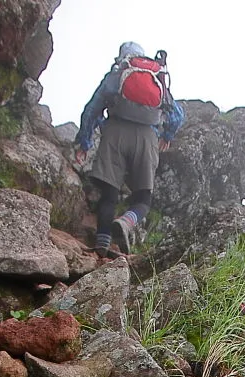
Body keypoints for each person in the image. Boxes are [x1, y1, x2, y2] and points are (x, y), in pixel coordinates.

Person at [74, 42, 185, 258]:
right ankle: (126, 222)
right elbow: (177, 115)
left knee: (109, 194)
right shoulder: (157, 76)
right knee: (143, 197)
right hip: (147, 137)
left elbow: (91, 111)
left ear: (122, 57)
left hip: (114, 132)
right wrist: (167, 136)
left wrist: (85, 143)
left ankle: (102, 247)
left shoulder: (117, 75)